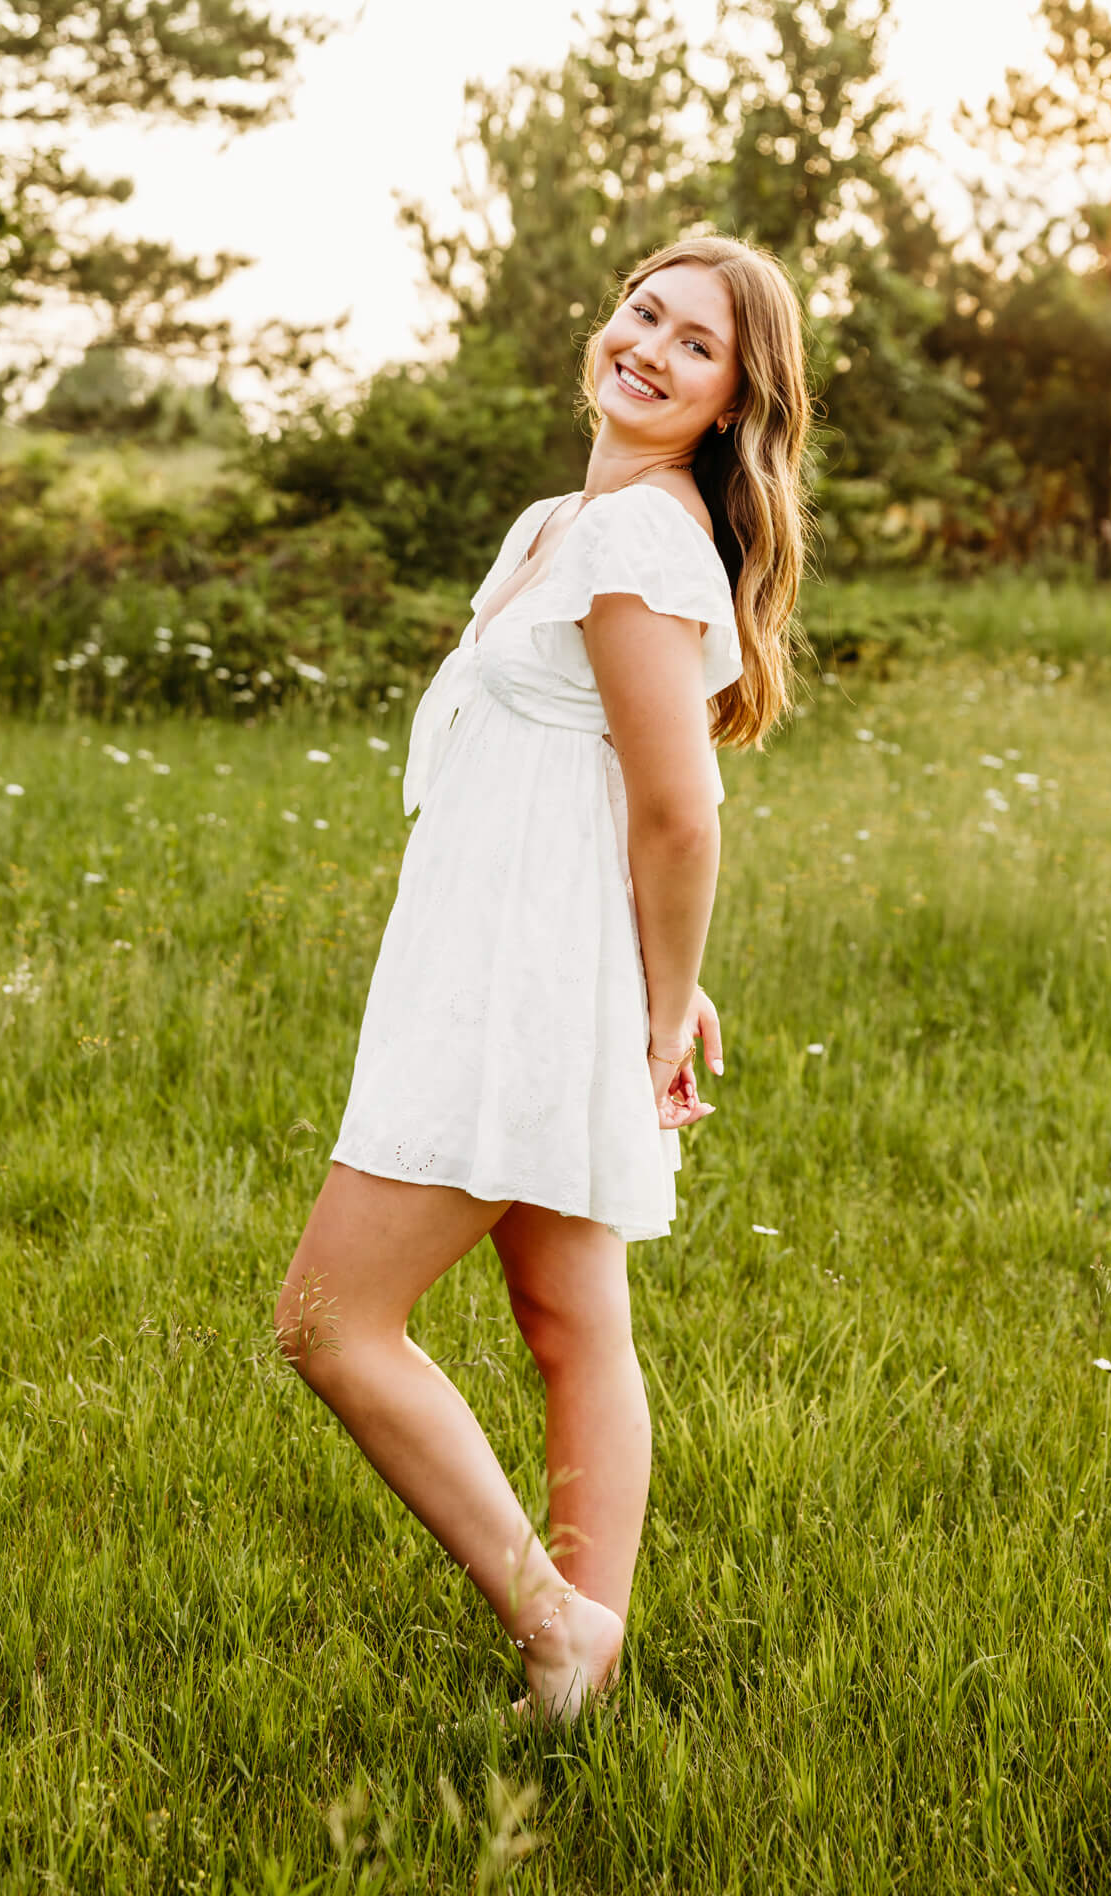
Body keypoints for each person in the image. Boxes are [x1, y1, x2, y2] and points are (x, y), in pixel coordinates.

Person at [275, 234, 811, 1722]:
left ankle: (550, 1617)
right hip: (518, 946)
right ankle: (577, 1669)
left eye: (694, 343)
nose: (650, 346)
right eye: (644, 311)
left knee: (329, 1321)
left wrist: (652, 1007)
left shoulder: (640, 541)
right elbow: (590, 785)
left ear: (729, 401)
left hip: (525, 981)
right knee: (573, 1320)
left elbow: (678, 802)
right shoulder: (554, 523)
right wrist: (657, 973)